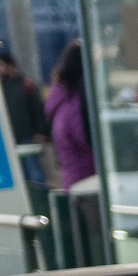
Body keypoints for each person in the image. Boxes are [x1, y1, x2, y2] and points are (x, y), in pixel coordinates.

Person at [45, 40, 95, 189]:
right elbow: (88, 140)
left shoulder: (62, 102)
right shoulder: (75, 106)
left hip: (74, 179)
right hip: (87, 182)